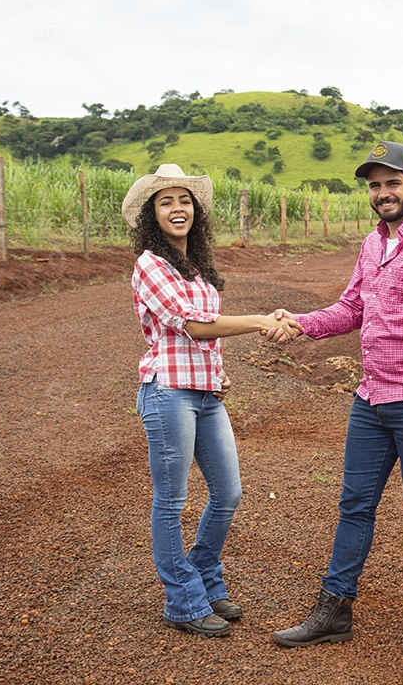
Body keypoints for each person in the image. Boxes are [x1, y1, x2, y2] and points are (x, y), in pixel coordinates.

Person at [268, 141, 403, 658]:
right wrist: (300, 324)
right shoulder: (371, 244)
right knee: (354, 504)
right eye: (375, 185)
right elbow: (352, 307)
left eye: (392, 183)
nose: (383, 193)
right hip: (371, 398)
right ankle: (334, 610)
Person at [123, 163, 301, 637]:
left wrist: (218, 375)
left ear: (195, 210)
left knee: (228, 493)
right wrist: (262, 319)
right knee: (172, 501)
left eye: (184, 201)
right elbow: (195, 327)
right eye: (166, 202)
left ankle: (202, 573)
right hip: (169, 393)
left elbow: (209, 343)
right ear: (151, 214)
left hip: (205, 394)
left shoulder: (195, 268)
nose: (177, 208)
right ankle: (182, 601)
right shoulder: (150, 264)